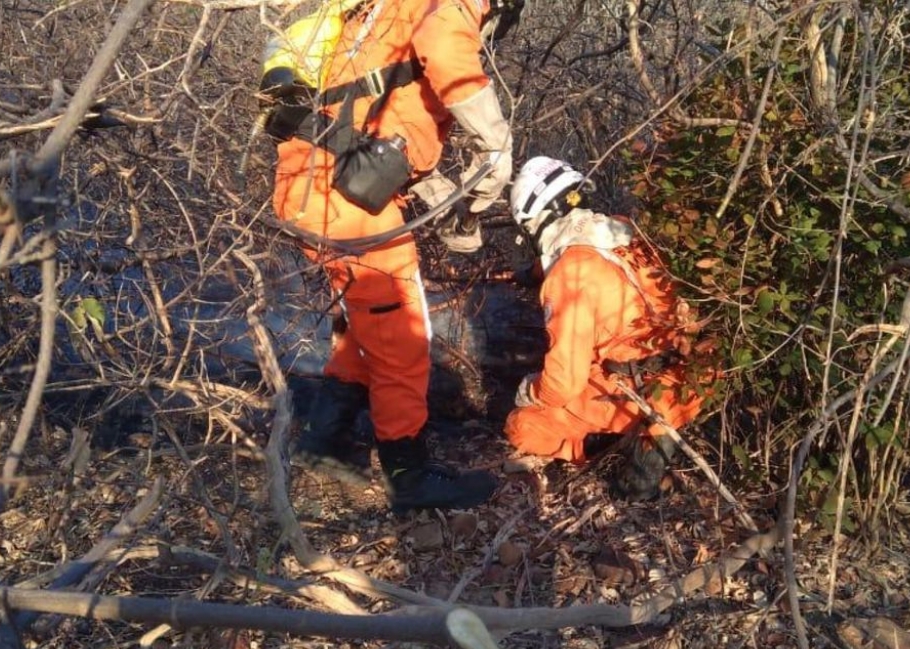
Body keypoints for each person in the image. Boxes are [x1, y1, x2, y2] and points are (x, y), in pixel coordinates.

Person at [259, 0, 521, 513]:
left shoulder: (381, 10)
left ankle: (324, 441)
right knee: (402, 332)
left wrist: (439, 195)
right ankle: (410, 476)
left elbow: (373, 113)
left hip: (314, 182)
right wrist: (496, 141)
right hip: (344, 196)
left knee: (367, 323)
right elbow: (445, 47)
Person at [504, 156, 712, 499]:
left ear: (536, 221)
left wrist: (530, 390)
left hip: (629, 388)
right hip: (687, 373)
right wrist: (536, 272)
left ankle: (603, 442)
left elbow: (562, 384)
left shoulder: (569, 275)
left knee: (523, 425)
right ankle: (663, 423)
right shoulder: (624, 228)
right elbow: (598, 259)